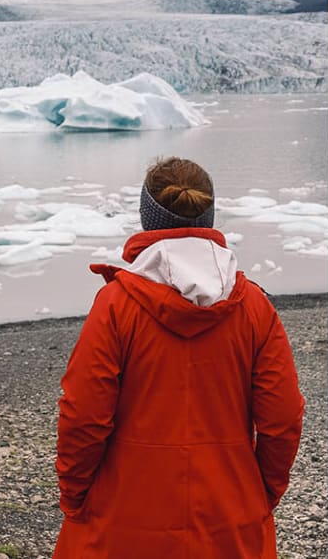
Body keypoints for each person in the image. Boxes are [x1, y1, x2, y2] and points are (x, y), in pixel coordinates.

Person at [53, 157, 305, 558]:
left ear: (147, 219)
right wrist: (261, 493)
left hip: (125, 514)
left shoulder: (117, 304)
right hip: (230, 511)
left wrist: (75, 493)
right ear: (209, 217)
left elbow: (83, 414)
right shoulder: (253, 306)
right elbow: (283, 417)